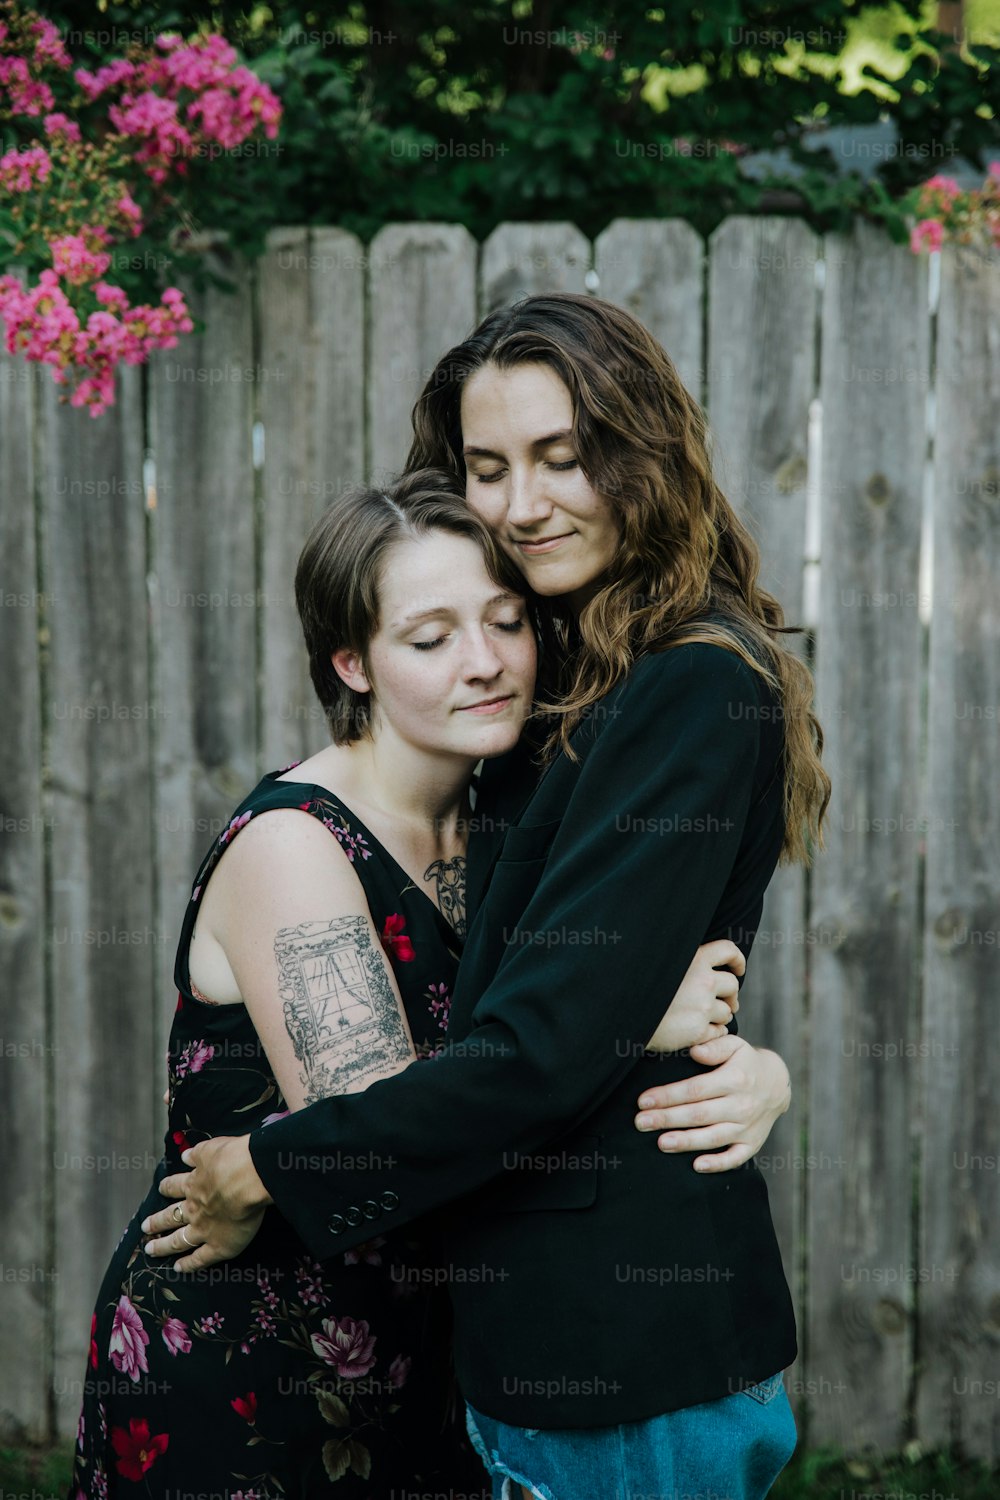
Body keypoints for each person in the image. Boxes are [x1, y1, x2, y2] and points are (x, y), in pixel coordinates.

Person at [142, 293, 831, 1499]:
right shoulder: (567, 672)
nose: (523, 505)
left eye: (565, 458)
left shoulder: (686, 687)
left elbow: (539, 1050)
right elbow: (551, 994)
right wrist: (647, 1026)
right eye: (490, 467)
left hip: (620, 1354)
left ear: (644, 449)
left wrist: (270, 1165)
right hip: (535, 1341)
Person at [68, 468, 752, 1500]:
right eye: (429, 640)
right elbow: (378, 1147)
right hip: (256, 1360)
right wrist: (626, 1021)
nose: (483, 664)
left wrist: (754, 1071)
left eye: (507, 621)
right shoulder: (296, 847)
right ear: (353, 661)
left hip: (434, 1345)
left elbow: (526, 1044)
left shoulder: (501, 825)